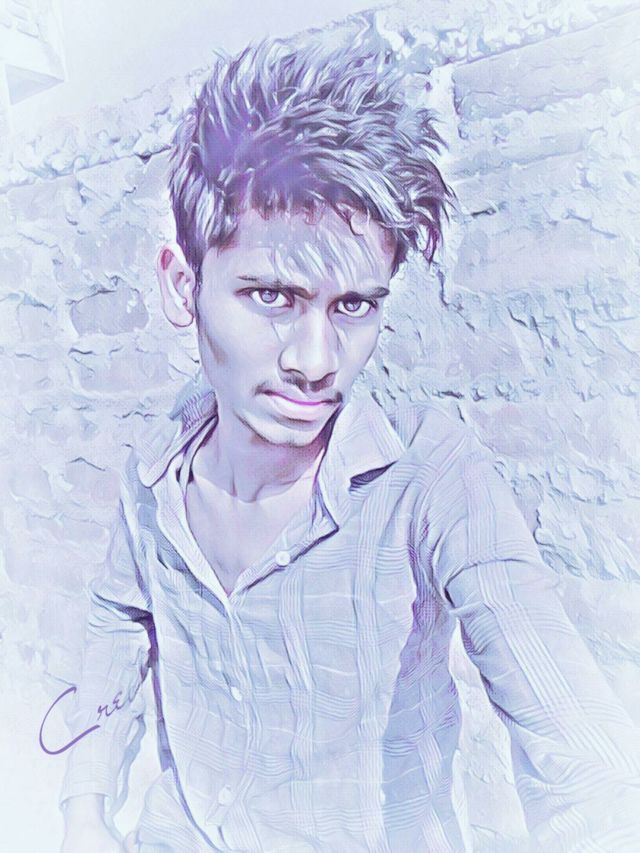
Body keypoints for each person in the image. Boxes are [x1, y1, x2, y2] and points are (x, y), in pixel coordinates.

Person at [58, 34, 640, 853]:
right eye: (272, 295)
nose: (316, 360)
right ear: (183, 285)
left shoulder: (432, 479)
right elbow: (118, 621)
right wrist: (83, 808)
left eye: (354, 306)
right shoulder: (155, 467)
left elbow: (588, 768)